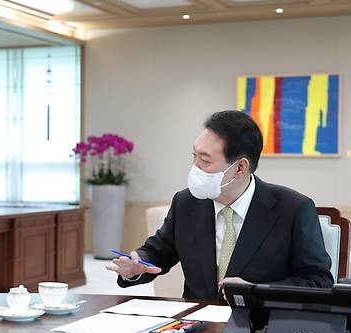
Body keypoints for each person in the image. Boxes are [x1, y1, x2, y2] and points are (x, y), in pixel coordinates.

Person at [107, 110, 334, 300]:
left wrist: (258, 292)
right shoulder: (186, 203)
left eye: (205, 161)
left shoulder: (293, 209)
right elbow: (157, 253)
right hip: (196, 329)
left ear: (240, 168)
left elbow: (318, 281)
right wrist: (135, 268)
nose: (194, 167)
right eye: (194, 156)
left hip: (261, 329)